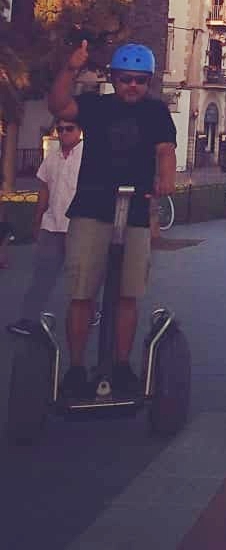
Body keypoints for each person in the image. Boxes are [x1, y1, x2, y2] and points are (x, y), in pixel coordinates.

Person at [49, 41, 177, 398]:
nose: (132, 86)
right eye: (125, 79)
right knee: (82, 294)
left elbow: (165, 150)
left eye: (140, 80)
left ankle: (121, 366)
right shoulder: (96, 105)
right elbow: (58, 105)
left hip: (135, 212)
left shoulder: (156, 112)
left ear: (148, 81)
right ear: (113, 78)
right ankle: (76, 368)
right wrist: (70, 68)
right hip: (92, 209)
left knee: (127, 294)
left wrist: (167, 178)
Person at [6, 117, 86, 336]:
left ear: (79, 130)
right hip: (51, 225)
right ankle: (28, 319)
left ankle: (89, 314)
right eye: (60, 129)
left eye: (69, 128)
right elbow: (44, 189)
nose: (64, 133)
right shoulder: (52, 158)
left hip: (79, 227)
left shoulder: (90, 157)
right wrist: (38, 219)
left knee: (82, 277)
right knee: (42, 275)